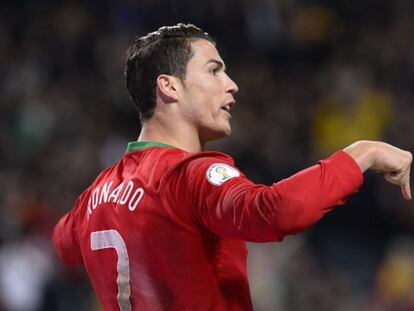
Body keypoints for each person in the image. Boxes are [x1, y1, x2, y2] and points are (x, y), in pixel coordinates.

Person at [52, 23, 412, 311]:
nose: (232, 85)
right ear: (170, 87)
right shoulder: (189, 175)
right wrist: (363, 153)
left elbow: (64, 244)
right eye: (214, 71)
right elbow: (273, 212)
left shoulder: (95, 196)